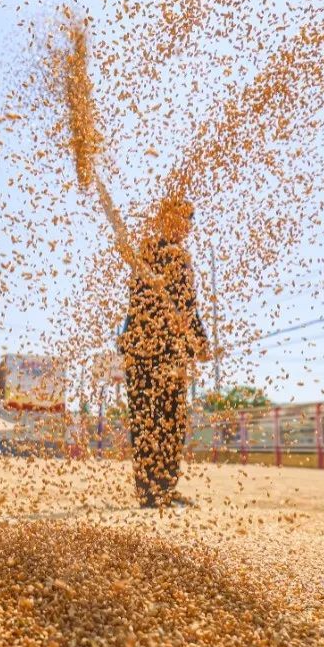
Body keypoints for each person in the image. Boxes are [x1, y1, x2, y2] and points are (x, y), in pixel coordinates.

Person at [119, 196, 210, 508]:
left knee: (172, 418)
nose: (183, 225)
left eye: (187, 220)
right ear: (162, 219)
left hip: (173, 352)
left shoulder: (183, 257)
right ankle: (148, 492)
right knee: (146, 419)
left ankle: (167, 487)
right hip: (141, 348)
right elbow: (144, 293)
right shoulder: (147, 250)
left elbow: (187, 305)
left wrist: (200, 339)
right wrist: (151, 274)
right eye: (177, 218)